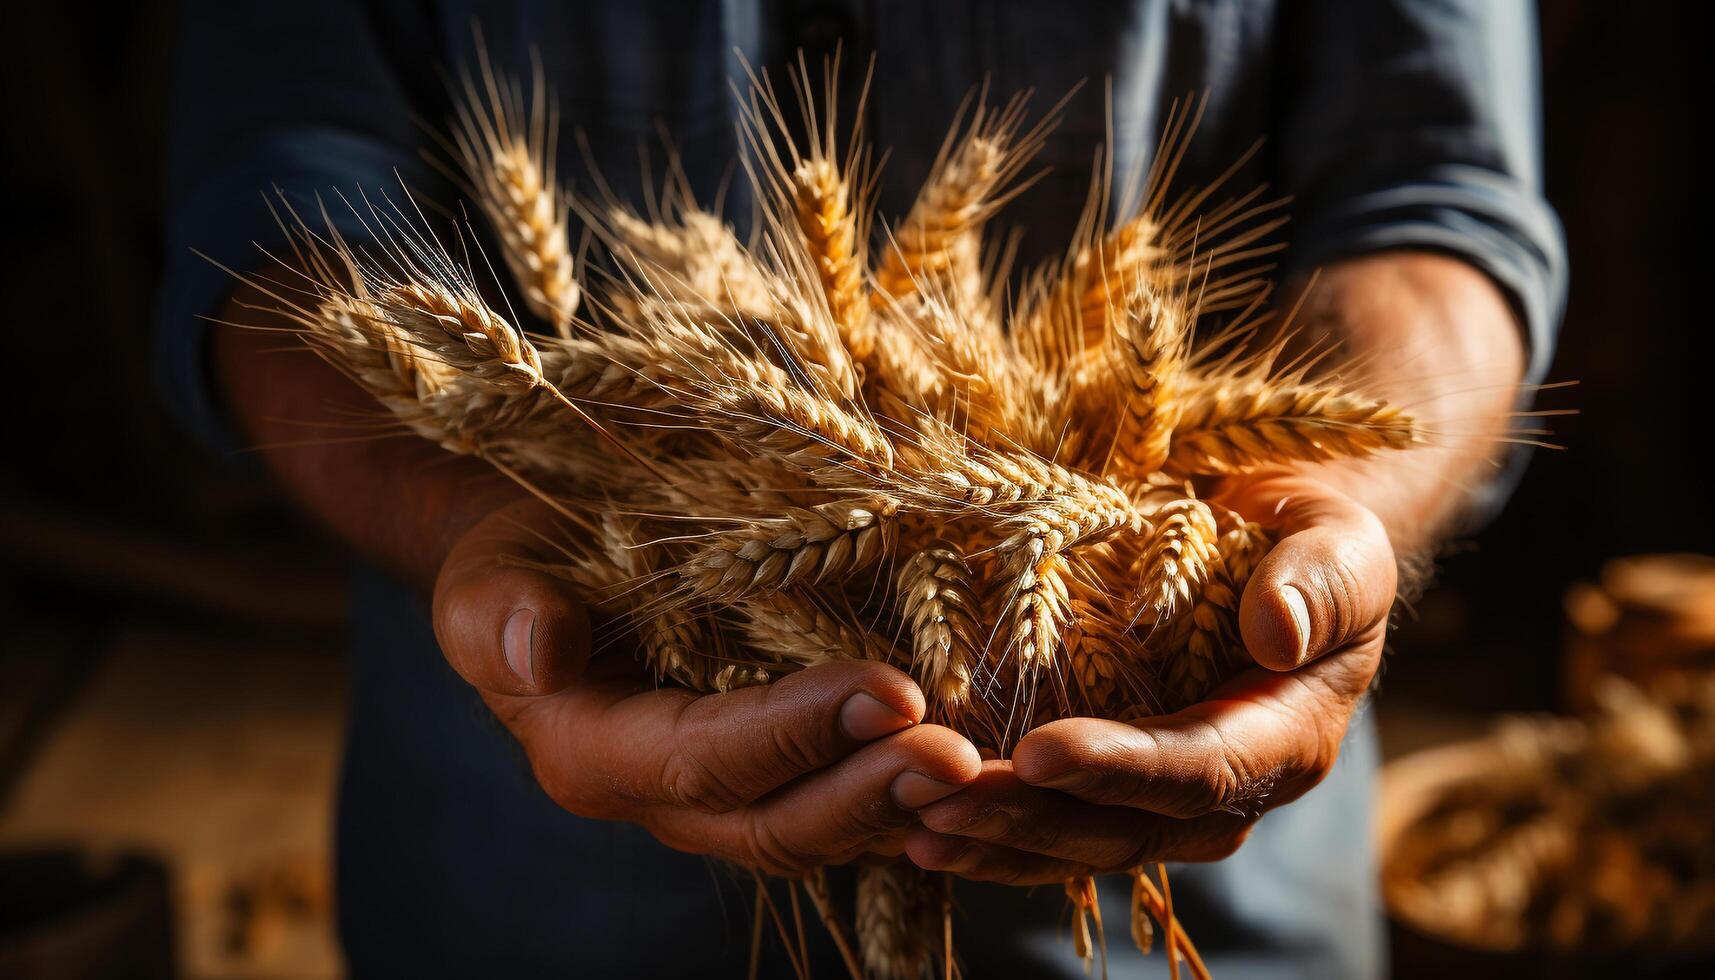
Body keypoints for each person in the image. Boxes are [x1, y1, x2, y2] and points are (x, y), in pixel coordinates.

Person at [159, 2, 1563, 976]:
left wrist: (1326, 505)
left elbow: (1431, 191)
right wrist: (478, 524)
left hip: (1208, 908)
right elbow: (271, 199)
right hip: (528, 905)